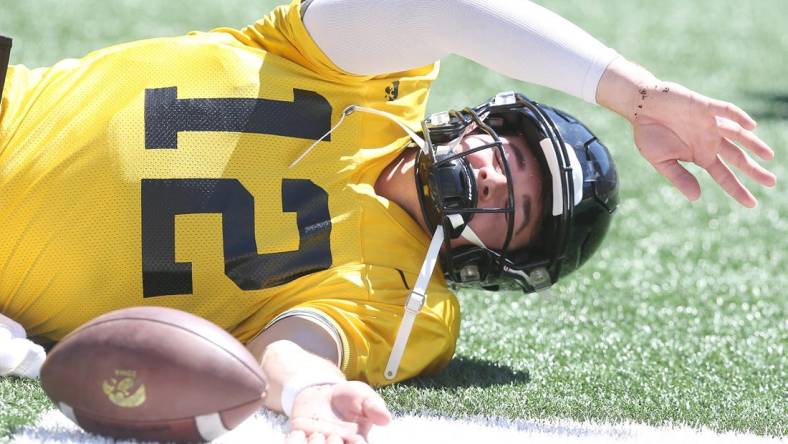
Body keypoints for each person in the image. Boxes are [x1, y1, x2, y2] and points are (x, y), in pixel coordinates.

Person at [0, 0, 776, 443]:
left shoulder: (401, 298)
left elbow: (294, 343)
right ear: (485, 118)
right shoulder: (366, 80)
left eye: (525, 206)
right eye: (513, 151)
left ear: (504, 262)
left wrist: (308, 393)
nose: (499, 175)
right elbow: (445, 6)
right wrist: (639, 95)